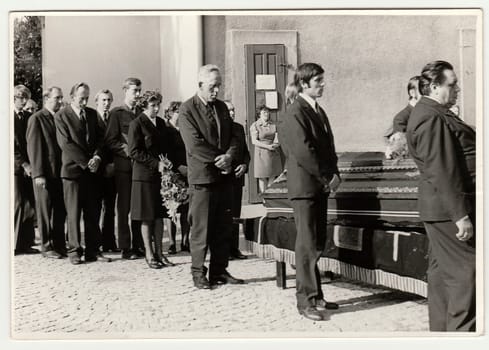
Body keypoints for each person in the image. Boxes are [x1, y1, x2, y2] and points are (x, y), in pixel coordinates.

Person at [406, 60, 475, 332]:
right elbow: (442, 170)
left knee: (441, 276)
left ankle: (441, 334)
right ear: (434, 86)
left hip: (439, 209)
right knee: (466, 275)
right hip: (447, 211)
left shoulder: (435, 111)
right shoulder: (431, 116)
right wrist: (460, 215)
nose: (457, 89)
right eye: (452, 84)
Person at [280, 63, 341, 321]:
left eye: (322, 80)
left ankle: (316, 296)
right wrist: (328, 176)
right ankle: (304, 301)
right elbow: (304, 151)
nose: (323, 84)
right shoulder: (295, 112)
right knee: (306, 246)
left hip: (318, 186)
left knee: (316, 243)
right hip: (305, 188)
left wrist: (334, 173)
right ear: (304, 84)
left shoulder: (318, 110)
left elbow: (328, 147)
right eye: (318, 81)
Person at [179, 64, 244, 289]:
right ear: (200, 85)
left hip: (224, 179)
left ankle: (219, 270)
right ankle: (198, 272)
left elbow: (234, 136)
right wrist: (221, 159)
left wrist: (230, 157)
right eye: (212, 86)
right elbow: (194, 145)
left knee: (223, 228)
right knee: (201, 230)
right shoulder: (187, 110)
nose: (216, 91)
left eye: (219, 86)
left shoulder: (222, 109)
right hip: (203, 179)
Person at [54, 82, 111, 264]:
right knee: (73, 213)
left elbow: (101, 140)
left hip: (92, 172)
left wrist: (97, 157)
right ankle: (74, 251)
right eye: (81, 98)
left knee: (93, 212)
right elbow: (66, 144)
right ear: (72, 97)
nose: (85, 101)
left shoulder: (93, 115)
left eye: (87, 97)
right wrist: (87, 163)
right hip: (72, 172)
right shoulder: (62, 116)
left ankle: (93, 250)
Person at [128, 91, 178, 269]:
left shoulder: (161, 124)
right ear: (144, 106)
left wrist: (168, 162)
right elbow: (133, 151)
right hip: (143, 176)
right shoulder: (137, 124)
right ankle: (149, 254)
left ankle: (160, 252)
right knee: (146, 216)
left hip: (160, 177)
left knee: (159, 216)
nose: (156, 109)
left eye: (158, 105)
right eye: (152, 105)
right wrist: (155, 163)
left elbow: (167, 146)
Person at [105, 78, 144, 260]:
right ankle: (126, 247)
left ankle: (139, 244)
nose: (137, 94)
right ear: (125, 91)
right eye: (134, 90)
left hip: (140, 167)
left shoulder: (141, 113)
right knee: (124, 208)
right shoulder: (117, 114)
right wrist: (131, 152)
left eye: (139, 90)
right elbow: (111, 140)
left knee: (138, 206)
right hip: (125, 167)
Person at [26, 87, 67, 259]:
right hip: (45, 173)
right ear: (46, 98)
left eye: (61, 98)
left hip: (60, 172)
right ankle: (46, 245)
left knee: (59, 210)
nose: (59, 101)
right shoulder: (37, 118)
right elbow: (34, 148)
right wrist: (38, 174)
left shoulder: (59, 117)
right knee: (44, 210)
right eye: (56, 97)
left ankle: (59, 244)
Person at [13, 84, 38, 255]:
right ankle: (13, 244)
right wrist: (23, 164)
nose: (23, 100)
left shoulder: (30, 117)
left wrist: (32, 165)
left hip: (30, 167)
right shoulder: (6, 115)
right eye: (20, 97)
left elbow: (33, 142)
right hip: (15, 167)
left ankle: (26, 243)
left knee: (30, 204)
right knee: (18, 203)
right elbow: (9, 144)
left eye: (25, 97)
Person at [163, 101, 190, 255]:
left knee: (186, 208)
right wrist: (177, 167)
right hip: (172, 172)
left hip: (188, 172)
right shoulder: (166, 130)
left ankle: (185, 241)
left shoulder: (186, 128)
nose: (181, 115)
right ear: (171, 113)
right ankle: (172, 242)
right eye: (178, 112)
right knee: (172, 207)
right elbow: (166, 152)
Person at [224, 100, 250, 260]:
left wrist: (245, 165)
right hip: (224, 178)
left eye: (233, 110)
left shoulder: (239, 128)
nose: (232, 113)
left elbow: (246, 152)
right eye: (229, 110)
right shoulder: (219, 129)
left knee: (235, 214)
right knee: (224, 215)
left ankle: (234, 248)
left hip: (237, 178)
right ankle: (224, 249)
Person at [94, 89, 119, 253]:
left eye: (109, 100)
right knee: (95, 207)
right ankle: (96, 242)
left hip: (112, 168)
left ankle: (109, 241)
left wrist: (113, 164)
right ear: (97, 102)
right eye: (103, 100)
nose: (106, 103)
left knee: (110, 208)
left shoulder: (113, 118)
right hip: (96, 169)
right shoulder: (91, 118)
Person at [250, 105, 282, 192]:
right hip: (261, 152)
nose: (266, 114)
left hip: (273, 151)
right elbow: (254, 141)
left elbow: (277, 136)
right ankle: (264, 197)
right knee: (262, 176)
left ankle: (269, 196)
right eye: (264, 112)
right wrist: (267, 147)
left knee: (273, 175)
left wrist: (275, 144)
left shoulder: (273, 125)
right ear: (259, 114)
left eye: (268, 112)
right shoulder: (255, 125)